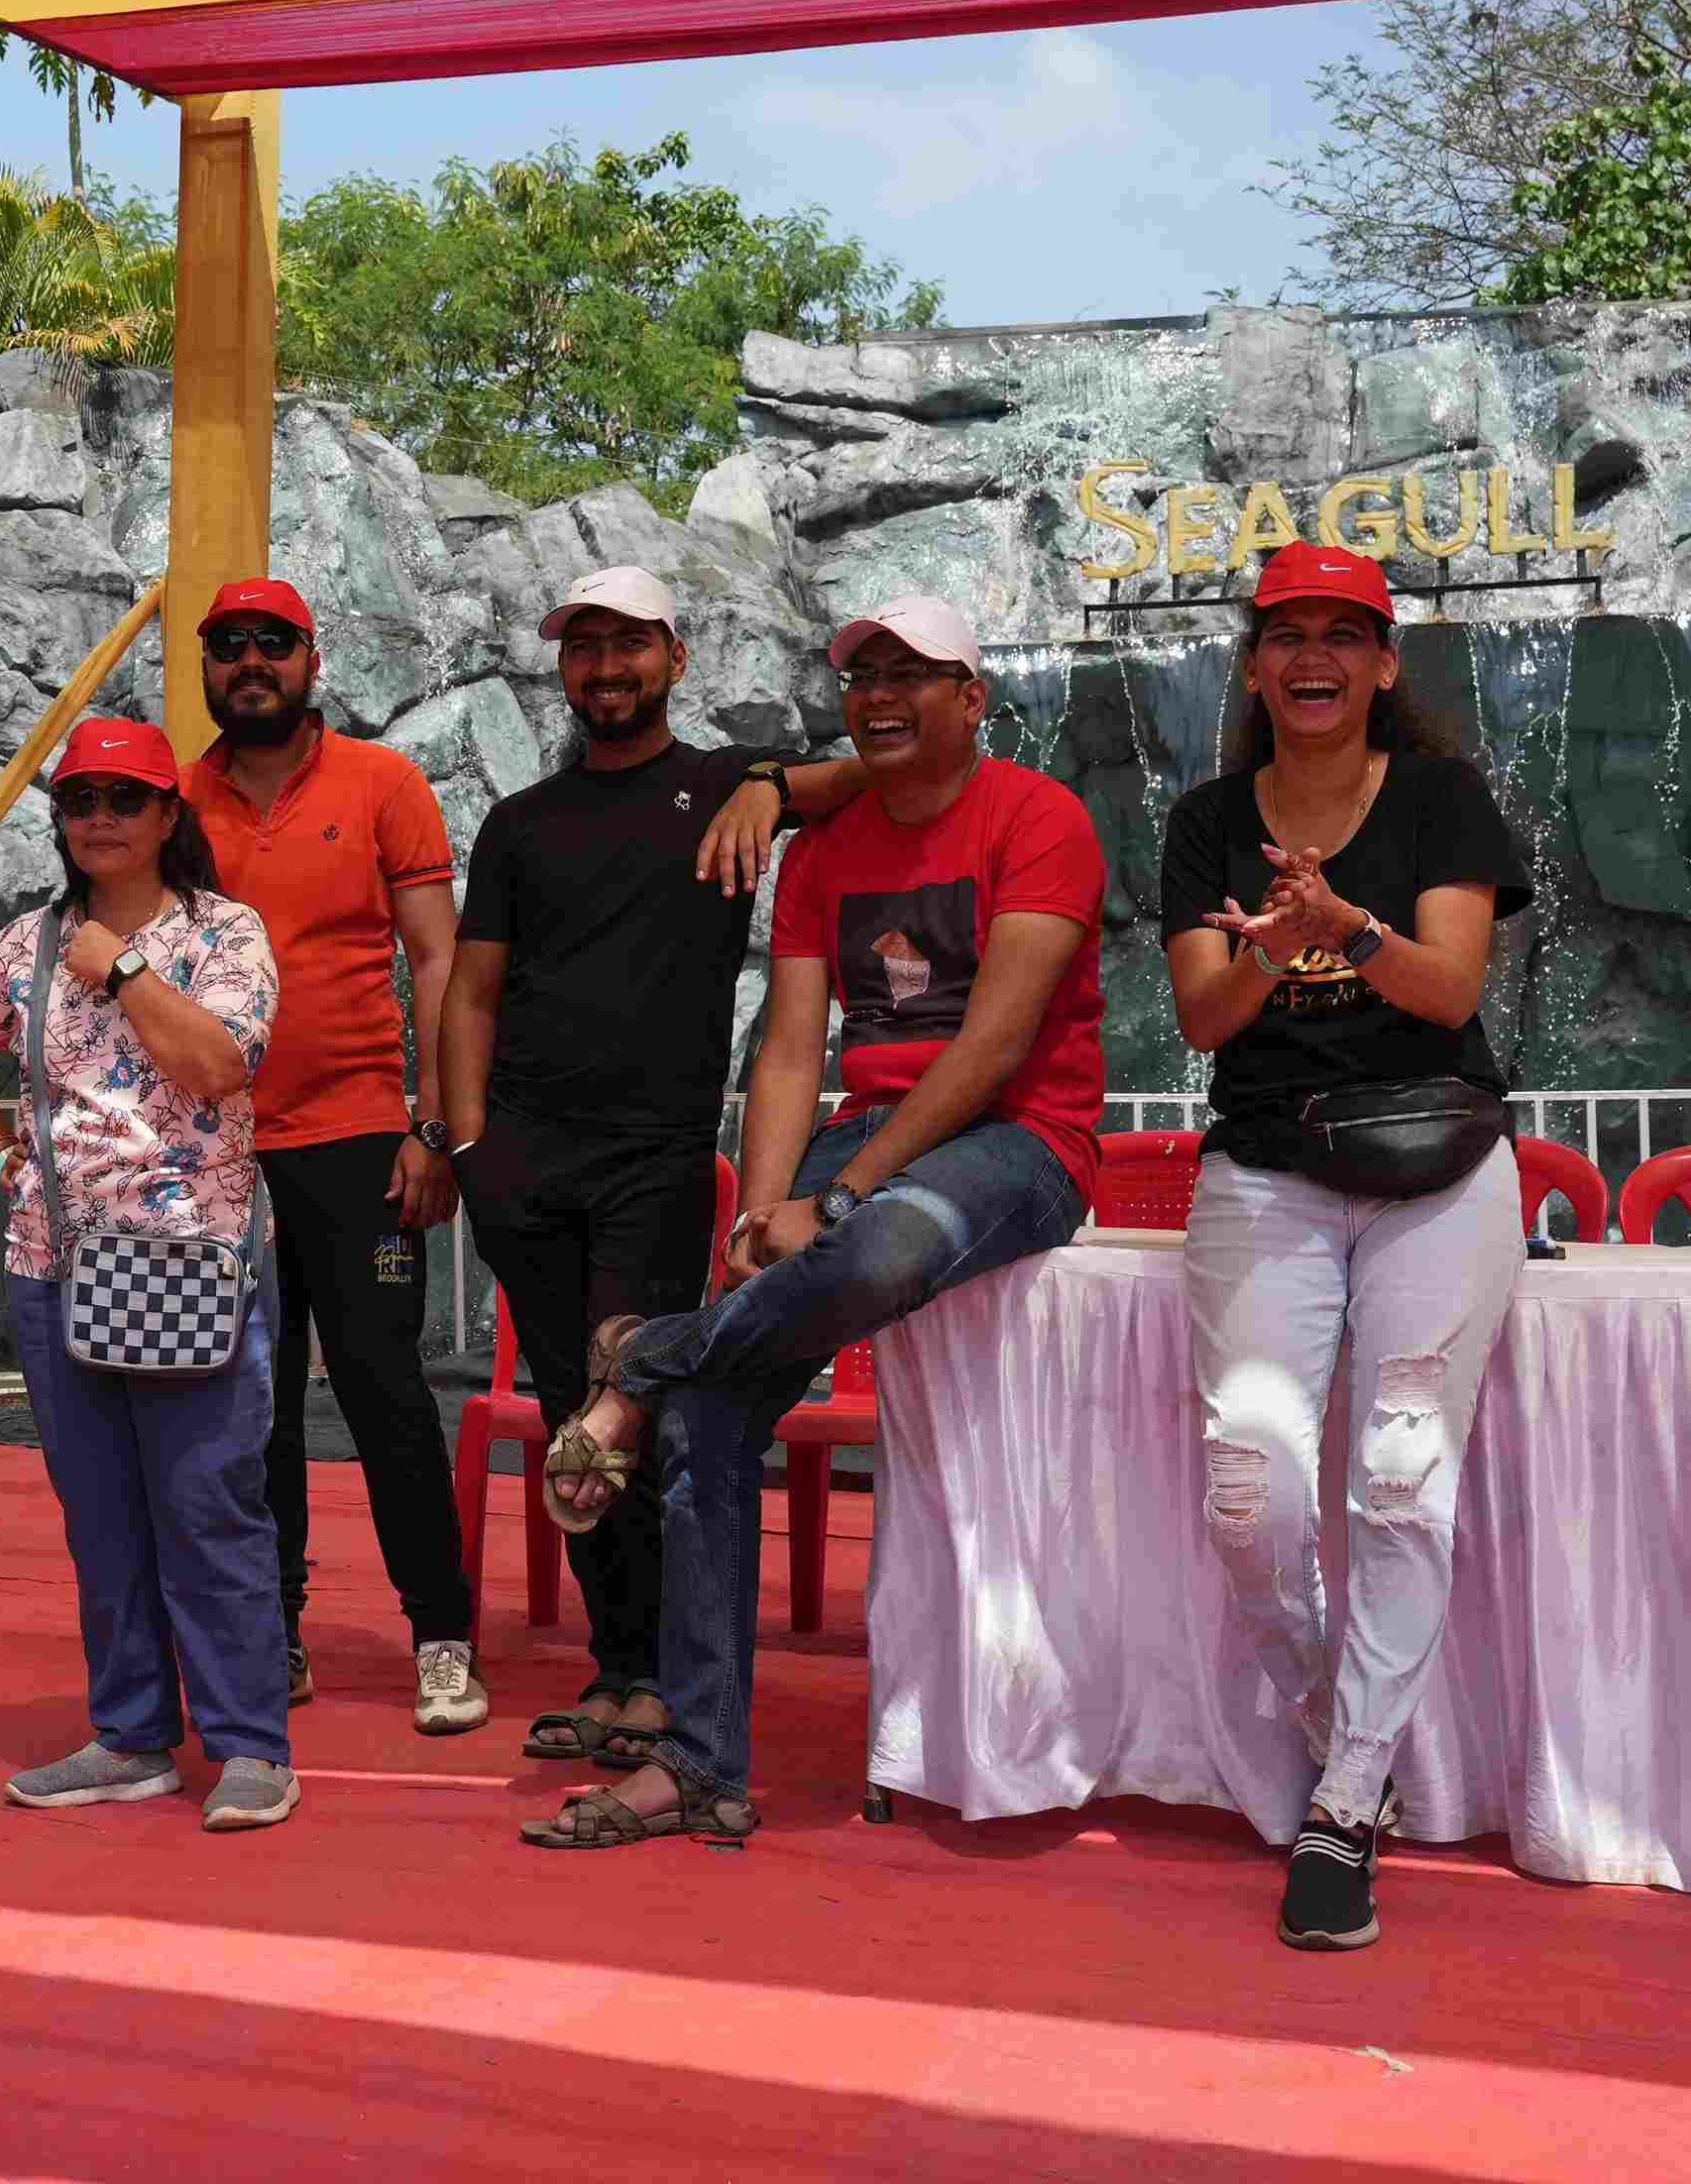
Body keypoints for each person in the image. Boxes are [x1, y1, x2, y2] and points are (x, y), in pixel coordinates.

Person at [521, 593, 1104, 1849]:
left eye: (910, 675)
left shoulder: (1040, 816)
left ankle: (647, 1355)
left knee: (885, 1245)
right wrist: (760, 1207)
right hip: (864, 1132)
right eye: (862, 678)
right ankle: (701, 1763)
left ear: (971, 699)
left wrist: (836, 1199)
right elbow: (790, 1047)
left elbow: (996, 1042)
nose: (880, 698)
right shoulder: (822, 853)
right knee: (712, 1417)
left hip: (1019, 1139)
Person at [1158, 542, 1530, 1951]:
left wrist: (1347, 926)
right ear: (1255, 667)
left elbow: (1447, 991)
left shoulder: (1440, 797)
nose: (1312, 658)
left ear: (1383, 664)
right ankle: (1344, 1740)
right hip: (1268, 1172)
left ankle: (1343, 1805)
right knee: (1249, 1495)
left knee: (1401, 1476)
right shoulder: (1206, 820)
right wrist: (1273, 941)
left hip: (1439, 1169)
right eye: (1286, 634)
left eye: (1341, 634)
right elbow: (1204, 1017)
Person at [435, 565, 863, 1776]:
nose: (606, 668)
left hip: (654, 1168)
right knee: (575, 1420)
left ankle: (668, 1681)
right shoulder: (520, 823)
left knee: (629, 1409)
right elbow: (471, 992)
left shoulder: (723, 785)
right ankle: (621, 1669)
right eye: (585, 648)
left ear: (676, 657)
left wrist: (769, 782)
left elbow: (878, 775)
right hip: (523, 1164)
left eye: (629, 645)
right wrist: (466, 1146)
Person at [0, 718, 300, 1832]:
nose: (99, 817)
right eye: (80, 799)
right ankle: (132, 1734)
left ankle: (250, 1746)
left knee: (210, 1506)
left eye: (124, 798)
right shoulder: (21, 946)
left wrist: (125, 968)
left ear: (167, 815)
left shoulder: (224, 933)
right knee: (100, 1516)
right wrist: (5, 1158)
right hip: (56, 1264)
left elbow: (219, 1065)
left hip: (193, 1261)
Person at [179, 575, 486, 1734]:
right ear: (207, 666)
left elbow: (439, 961)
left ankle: (443, 1637)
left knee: (385, 1391)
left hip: (362, 1145)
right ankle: (276, 1631)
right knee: (244, 1404)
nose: (250, 662)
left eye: (274, 642)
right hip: (221, 1154)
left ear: (312, 659)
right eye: (229, 645)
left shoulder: (383, 783)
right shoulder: (175, 800)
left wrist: (435, 1127)